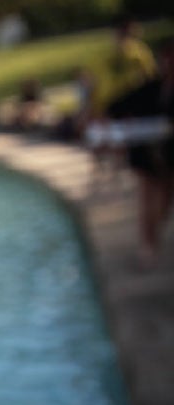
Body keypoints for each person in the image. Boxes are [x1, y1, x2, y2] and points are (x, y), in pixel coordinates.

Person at [108, 36, 174, 268]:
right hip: (148, 154)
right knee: (148, 200)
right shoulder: (150, 88)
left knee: (164, 203)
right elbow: (115, 107)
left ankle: (152, 240)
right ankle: (148, 246)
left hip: (168, 156)